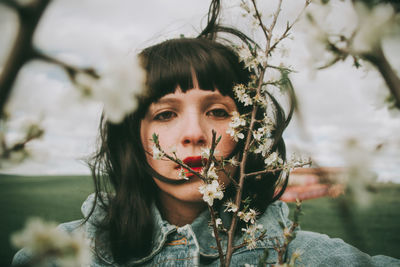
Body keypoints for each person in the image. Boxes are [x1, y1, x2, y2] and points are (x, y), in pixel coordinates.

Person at [12, 3, 400, 267]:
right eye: (165, 114)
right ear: (133, 138)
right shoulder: (60, 254)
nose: (195, 134)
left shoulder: (305, 256)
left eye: (217, 112)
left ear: (250, 133)